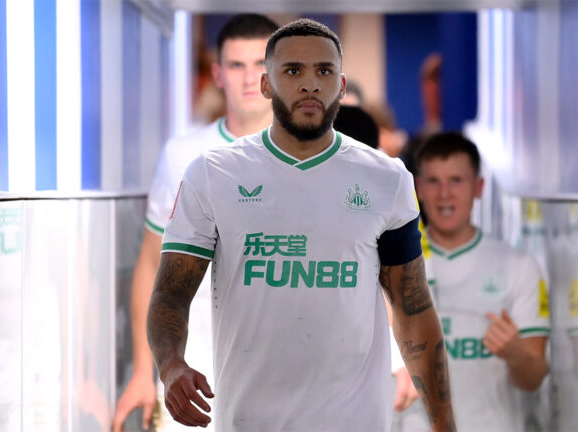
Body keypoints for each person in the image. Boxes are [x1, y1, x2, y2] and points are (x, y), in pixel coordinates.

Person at [146, 19, 456, 431]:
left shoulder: (387, 178)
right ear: (266, 85)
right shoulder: (213, 174)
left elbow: (413, 309)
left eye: (324, 71)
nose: (310, 84)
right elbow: (169, 294)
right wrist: (171, 366)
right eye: (293, 71)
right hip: (249, 420)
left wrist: (444, 425)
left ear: (341, 86)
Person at [112, 14, 279, 432]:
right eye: (237, 65)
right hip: (195, 374)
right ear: (218, 75)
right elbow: (151, 266)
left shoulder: (308, 159)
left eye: (260, 64)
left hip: (283, 373)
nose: (248, 78)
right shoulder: (183, 155)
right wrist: (145, 372)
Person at [393, 132, 549, 431]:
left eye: (456, 181)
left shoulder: (518, 267)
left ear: (478, 187)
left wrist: (515, 352)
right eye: (434, 181)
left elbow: (534, 379)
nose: (445, 194)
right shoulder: (393, 266)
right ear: (418, 188)